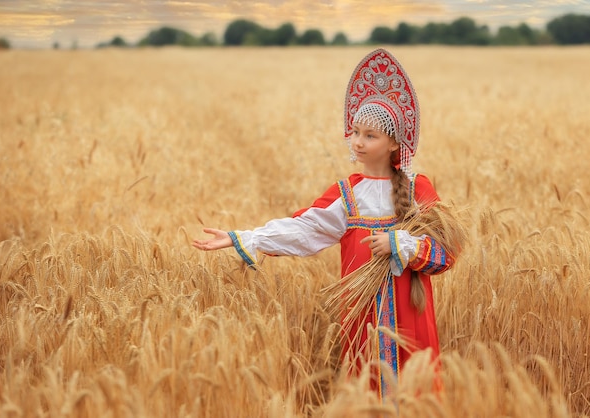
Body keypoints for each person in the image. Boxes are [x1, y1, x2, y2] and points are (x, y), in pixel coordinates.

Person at [193, 49, 457, 399]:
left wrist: (401, 246)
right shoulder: (347, 194)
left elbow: (445, 253)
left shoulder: (416, 188)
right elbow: (303, 230)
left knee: (415, 393)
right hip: (362, 316)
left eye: (370, 136)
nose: (358, 142)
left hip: (412, 316)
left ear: (394, 143)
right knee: (366, 388)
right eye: (356, 132)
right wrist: (245, 238)